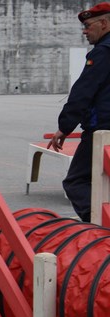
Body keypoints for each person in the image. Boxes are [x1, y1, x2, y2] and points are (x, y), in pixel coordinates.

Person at [48, 2, 110, 222]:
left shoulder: (103, 53)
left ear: (104, 23)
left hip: (102, 131)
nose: (84, 31)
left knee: (76, 182)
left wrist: (64, 127)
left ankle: (101, 225)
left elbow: (83, 93)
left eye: (87, 25)